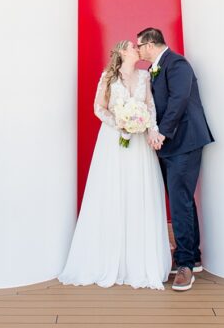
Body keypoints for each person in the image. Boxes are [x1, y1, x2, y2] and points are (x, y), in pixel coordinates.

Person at [58, 40, 172, 290]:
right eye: (132, 46)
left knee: (137, 192)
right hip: (113, 141)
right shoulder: (108, 78)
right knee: (112, 191)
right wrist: (120, 124)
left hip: (140, 142)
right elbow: (98, 107)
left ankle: (139, 263)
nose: (136, 49)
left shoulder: (144, 76)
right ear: (122, 52)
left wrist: (150, 129)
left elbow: (150, 108)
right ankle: (108, 258)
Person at [137, 27, 214, 291]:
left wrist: (162, 133)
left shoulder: (177, 63)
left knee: (180, 201)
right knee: (181, 200)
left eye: (139, 46)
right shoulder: (153, 70)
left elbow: (179, 100)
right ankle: (192, 256)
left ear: (149, 44)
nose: (137, 50)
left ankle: (184, 266)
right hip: (169, 144)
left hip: (185, 141)